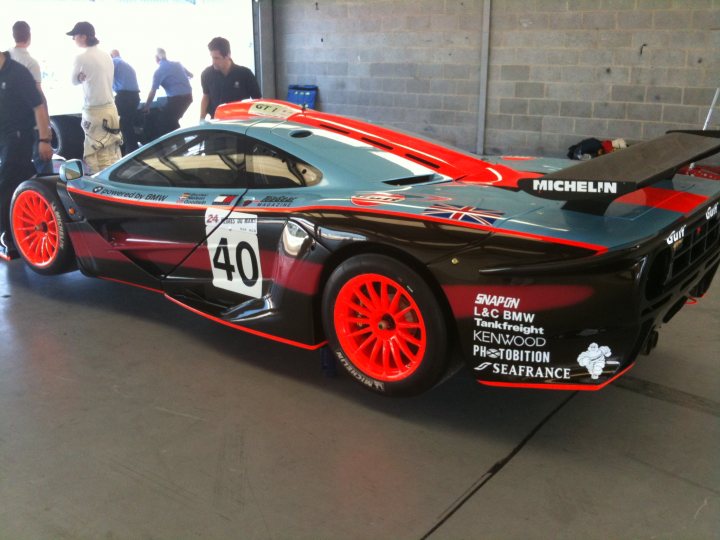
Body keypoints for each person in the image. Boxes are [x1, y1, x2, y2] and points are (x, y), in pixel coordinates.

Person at [0, 49, 53, 260]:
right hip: (4, 138)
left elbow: (39, 107)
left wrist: (44, 140)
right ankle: (20, 234)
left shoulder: (18, 73)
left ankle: (9, 238)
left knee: (6, 185)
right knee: (17, 185)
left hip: (19, 137)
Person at [67, 21, 122, 173]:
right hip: (111, 109)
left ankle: (99, 189)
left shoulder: (81, 58)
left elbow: (72, 81)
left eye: (75, 36)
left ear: (84, 37)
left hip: (94, 111)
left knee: (95, 153)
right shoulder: (106, 55)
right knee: (112, 151)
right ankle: (116, 185)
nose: (73, 39)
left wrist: (79, 77)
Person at [10, 20, 52, 174]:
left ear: (13, 36)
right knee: (43, 167)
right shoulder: (31, 62)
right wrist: (46, 125)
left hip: (10, 126)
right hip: (30, 123)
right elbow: (38, 95)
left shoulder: (5, 59)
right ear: (29, 36)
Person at [200, 37, 260, 120]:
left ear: (228, 55)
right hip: (216, 122)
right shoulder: (207, 74)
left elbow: (257, 100)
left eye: (217, 58)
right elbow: (206, 96)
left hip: (240, 122)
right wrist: (201, 119)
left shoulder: (245, 74)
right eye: (212, 57)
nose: (213, 62)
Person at [144, 48, 193, 137]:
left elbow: (153, 91)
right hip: (188, 97)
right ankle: (180, 144)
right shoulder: (178, 64)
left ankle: (178, 146)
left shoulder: (159, 71)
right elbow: (191, 75)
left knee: (164, 122)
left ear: (156, 58)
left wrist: (146, 107)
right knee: (172, 120)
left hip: (176, 99)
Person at [110, 49, 140, 155]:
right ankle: (133, 148)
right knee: (127, 124)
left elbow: (107, 78)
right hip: (135, 97)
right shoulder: (127, 65)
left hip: (124, 97)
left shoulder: (114, 62)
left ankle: (129, 150)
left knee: (114, 121)